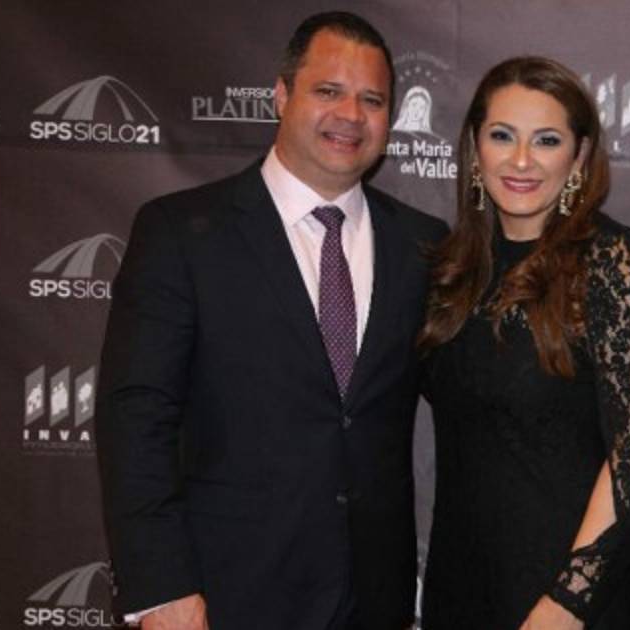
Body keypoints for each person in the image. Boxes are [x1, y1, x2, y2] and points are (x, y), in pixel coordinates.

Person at [97, 11, 446, 630]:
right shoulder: (181, 233)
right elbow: (136, 418)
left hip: (375, 599)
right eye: (328, 91)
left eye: (372, 100)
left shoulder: (423, 245)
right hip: (222, 597)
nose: (351, 115)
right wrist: (161, 588)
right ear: (282, 95)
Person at [417, 56, 630, 629]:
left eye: (547, 140)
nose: (521, 160)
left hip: (568, 599)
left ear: (579, 156)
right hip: (461, 587)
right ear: (475, 147)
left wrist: (569, 598)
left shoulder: (615, 263)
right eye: (502, 136)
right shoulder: (453, 270)